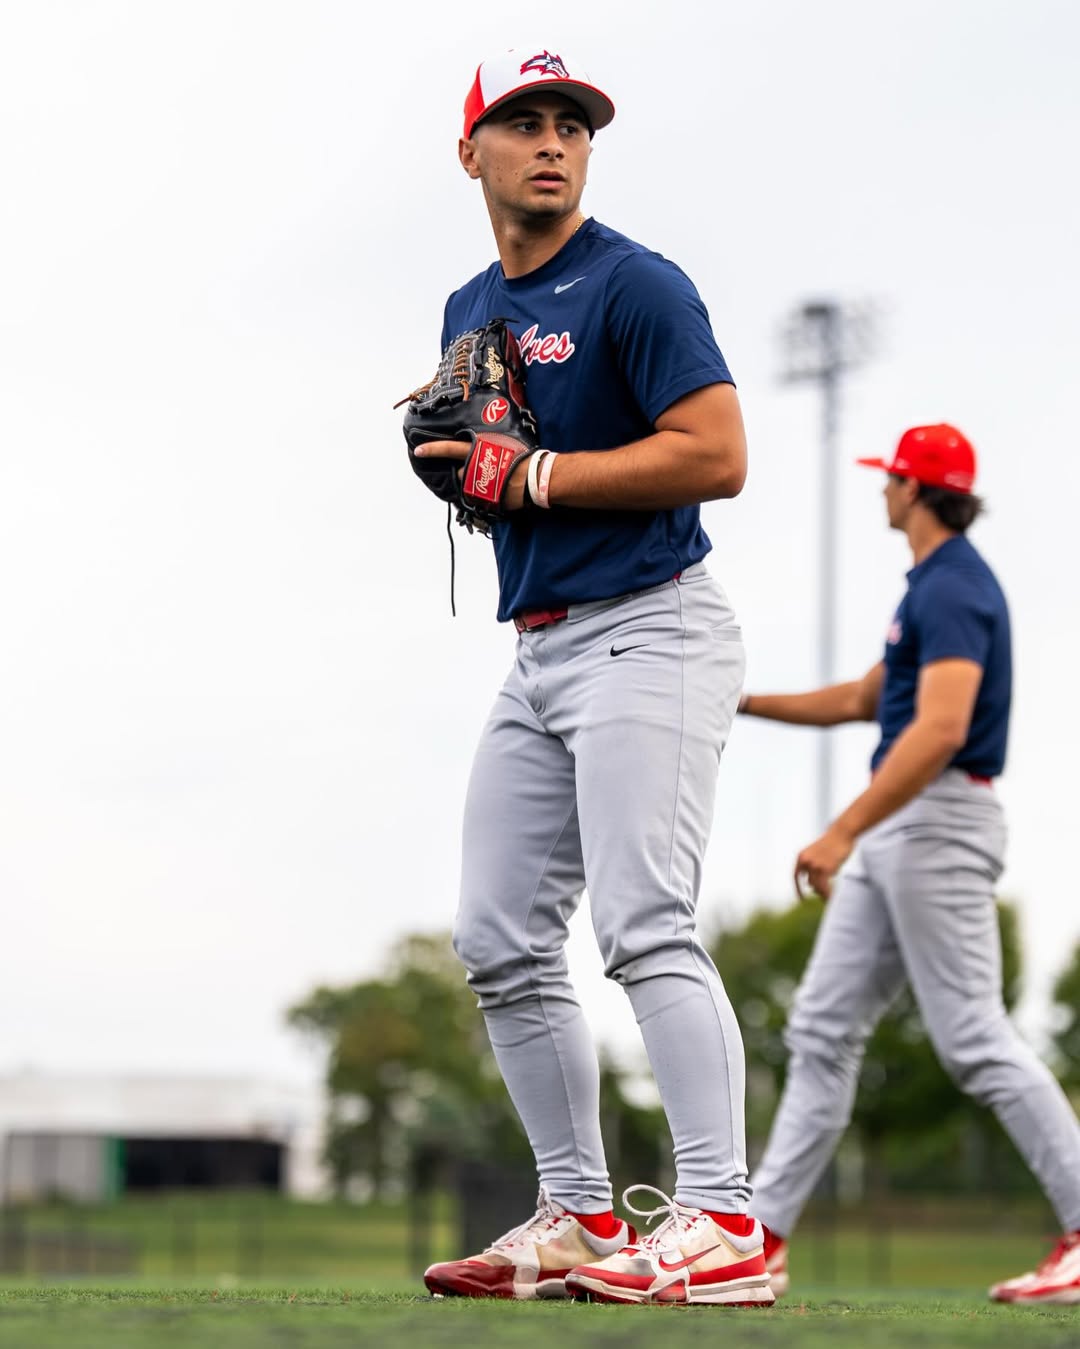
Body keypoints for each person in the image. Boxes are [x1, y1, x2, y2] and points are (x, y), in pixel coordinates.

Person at [414, 46, 773, 1307]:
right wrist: (476, 474)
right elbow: (488, 464)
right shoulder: (469, 304)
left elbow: (718, 453)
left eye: (571, 123)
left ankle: (724, 1216)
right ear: (472, 151)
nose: (553, 141)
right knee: (497, 936)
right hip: (540, 645)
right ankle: (575, 1212)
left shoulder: (636, 282)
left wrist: (537, 475)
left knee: (643, 921)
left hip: (651, 624)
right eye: (524, 122)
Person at [739, 423, 1080, 1305]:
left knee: (972, 1036)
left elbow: (940, 727)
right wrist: (738, 700)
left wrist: (842, 829)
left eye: (891, 477)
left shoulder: (956, 584)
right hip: (904, 823)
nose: (883, 489)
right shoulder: (932, 584)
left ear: (917, 490)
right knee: (821, 1030)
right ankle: (759, 1239)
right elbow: (867, 697)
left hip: (937, 816)